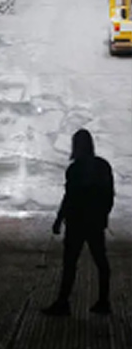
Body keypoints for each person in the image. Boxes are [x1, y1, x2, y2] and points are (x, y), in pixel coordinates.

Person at [42, 129, 114, 316]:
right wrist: (103, 216)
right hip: (95, 222)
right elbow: (108, 195)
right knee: (101, 262)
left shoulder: (75, 169)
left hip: (76, 222)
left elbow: (70, 197)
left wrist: (59, 219)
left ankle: (63, 302)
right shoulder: (102, 166)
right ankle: (104, 301)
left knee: (70, 263)